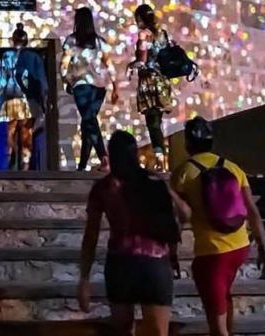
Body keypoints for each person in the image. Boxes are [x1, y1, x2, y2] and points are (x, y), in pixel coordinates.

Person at [79, 130, 190, 335]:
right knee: (157, 331)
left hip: (121, 262)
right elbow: (185, 212)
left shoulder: (104, 187)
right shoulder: (152, 181)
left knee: (122, 329)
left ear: (112, 155)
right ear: (134, 154)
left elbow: (91, 235)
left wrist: (84, 278)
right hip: (155, 263)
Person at [171, 117, 265, 336]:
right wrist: (262, 244)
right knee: (224, 295)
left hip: (212, 253)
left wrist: (172, 250)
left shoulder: (183, 173)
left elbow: (177, 217)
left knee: (217, 326)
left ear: (187, 144)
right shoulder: (233, 168)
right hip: (240, 246)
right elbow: (252, 209)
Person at [60, 6, 119, 171]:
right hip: (100, 87)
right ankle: (82, 165)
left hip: (81, 85)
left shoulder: (71, 41)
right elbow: (109, 65)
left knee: (89, 121)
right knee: (88, 121)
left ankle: (104, 158)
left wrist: (66, 80)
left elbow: (64, 64)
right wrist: (115, 87)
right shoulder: (100, 42)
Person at [0, 23, 46, 170]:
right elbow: (41, 80)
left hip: (10, 98)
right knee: (26, 133)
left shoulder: (6, 56)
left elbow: (1, 79)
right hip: (28, 100)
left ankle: (11, 159)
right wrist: (44, 100)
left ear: (13, 40)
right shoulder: (33, 57)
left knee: (11, 131)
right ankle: (25, 164)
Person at [129, 4, 173, 170]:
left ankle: (161, 160)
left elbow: (142, 60)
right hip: (163, 82)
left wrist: (130, 66)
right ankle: (161, 158)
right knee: (157, 123)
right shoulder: (162, 34)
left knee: (152, 123)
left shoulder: (144, 35)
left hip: (149, 83)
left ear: (140, 18)